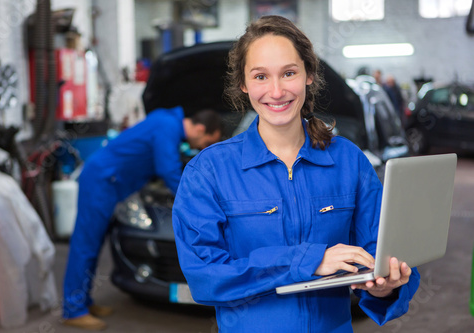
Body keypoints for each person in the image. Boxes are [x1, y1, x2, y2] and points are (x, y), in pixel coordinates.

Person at [172, 16, 420, 332]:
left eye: (289, 73)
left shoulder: (348, 161)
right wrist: (309, 260)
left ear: (309, 76)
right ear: (243, 85)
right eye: (261, 76)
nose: (276, 91)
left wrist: (387, 286)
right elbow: (205, 276)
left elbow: (380, 252)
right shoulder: (208, 171)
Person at [62, 106, 222, 330]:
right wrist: (194, 202)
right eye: (206, 142)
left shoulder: (166, 120)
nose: (202, 148)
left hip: (111, 183)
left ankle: (84, 301)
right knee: (85, 245)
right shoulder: (168, 127)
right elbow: (168, 170)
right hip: (101, 181)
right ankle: (73, 310)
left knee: (93, 245)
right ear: (200, 129)